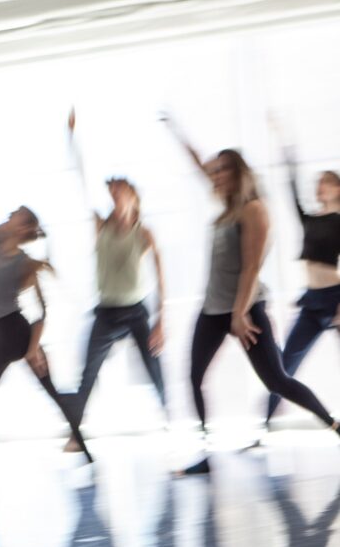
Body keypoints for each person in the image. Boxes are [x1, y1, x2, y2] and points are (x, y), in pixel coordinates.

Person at [163, 115, 339, 475]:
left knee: (277, 380)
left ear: (238, 172)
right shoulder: (225, 208)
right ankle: (206, 457)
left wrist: (240, 313)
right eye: (213, 172)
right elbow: (200, 166)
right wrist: (177, 131)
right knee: (194, 376)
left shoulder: (254, 210)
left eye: (223, 170)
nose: (215, 176)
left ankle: (334, 425)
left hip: (246, 309)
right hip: (212, 308)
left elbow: (251, 267)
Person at [0, 204, 93, 486]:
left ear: (22, 226)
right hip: (1, 337)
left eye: (15, 214)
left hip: (17, 334)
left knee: (52, 393)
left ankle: (86, 449)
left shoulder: (25, 263)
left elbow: (42, 311)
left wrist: (32, 349)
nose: (8, 214)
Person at [64, 109, 168, 451]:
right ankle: (76, 435)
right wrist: (73, 139)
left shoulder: (144, 232)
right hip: (107, 312)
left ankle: (169, 426)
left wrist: (160, 320)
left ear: (133, 197)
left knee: (155, 371)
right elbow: (79, 182)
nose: (114, 195)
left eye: (120, 190)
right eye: (112, 191)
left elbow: (162, 275)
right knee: (88, 372)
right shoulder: (100, 225)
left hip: (136, 312)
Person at [263, 141, 340, 426]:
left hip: (336, 298)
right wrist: (289, 159)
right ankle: (265, 423)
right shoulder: (309, 220)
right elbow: (292, 193)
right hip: (312, 300)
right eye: (318, 183)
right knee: (283, 366)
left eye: (327, 183)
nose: (320, 187)